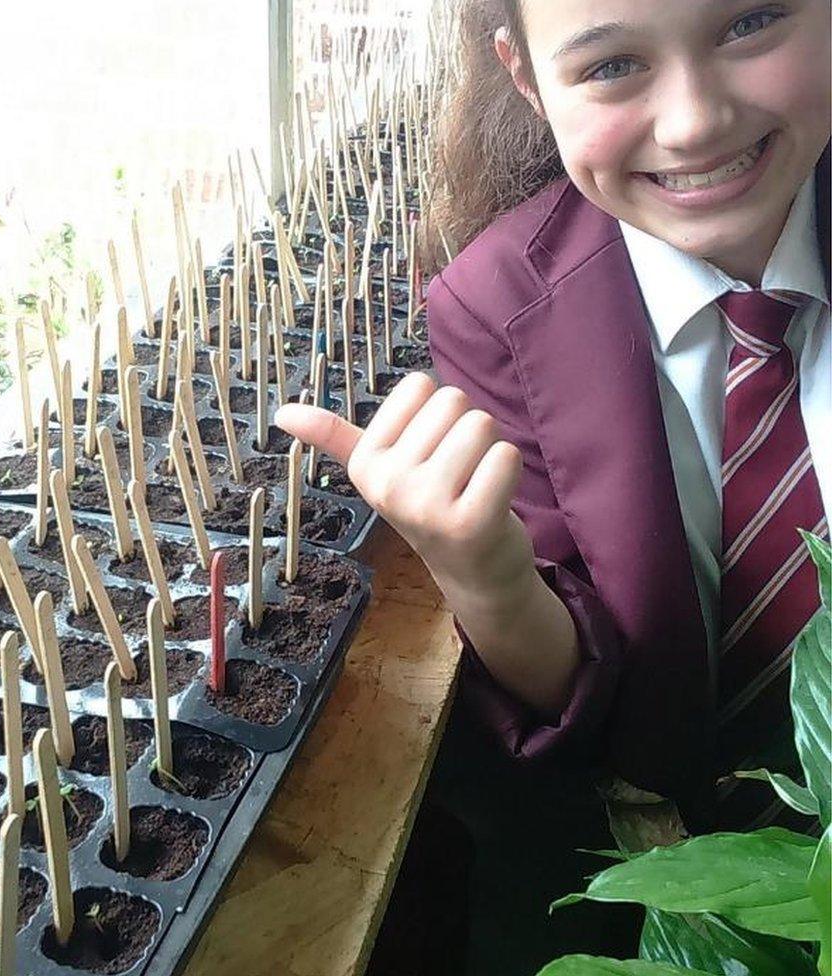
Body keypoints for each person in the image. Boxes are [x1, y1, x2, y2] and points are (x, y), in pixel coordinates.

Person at [276, 0, 830, 969]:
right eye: (612, 66)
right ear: (527, 79)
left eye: (750, 23)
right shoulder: (497, 307)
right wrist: (483, 573)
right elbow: (587, 682)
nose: (694, 118)